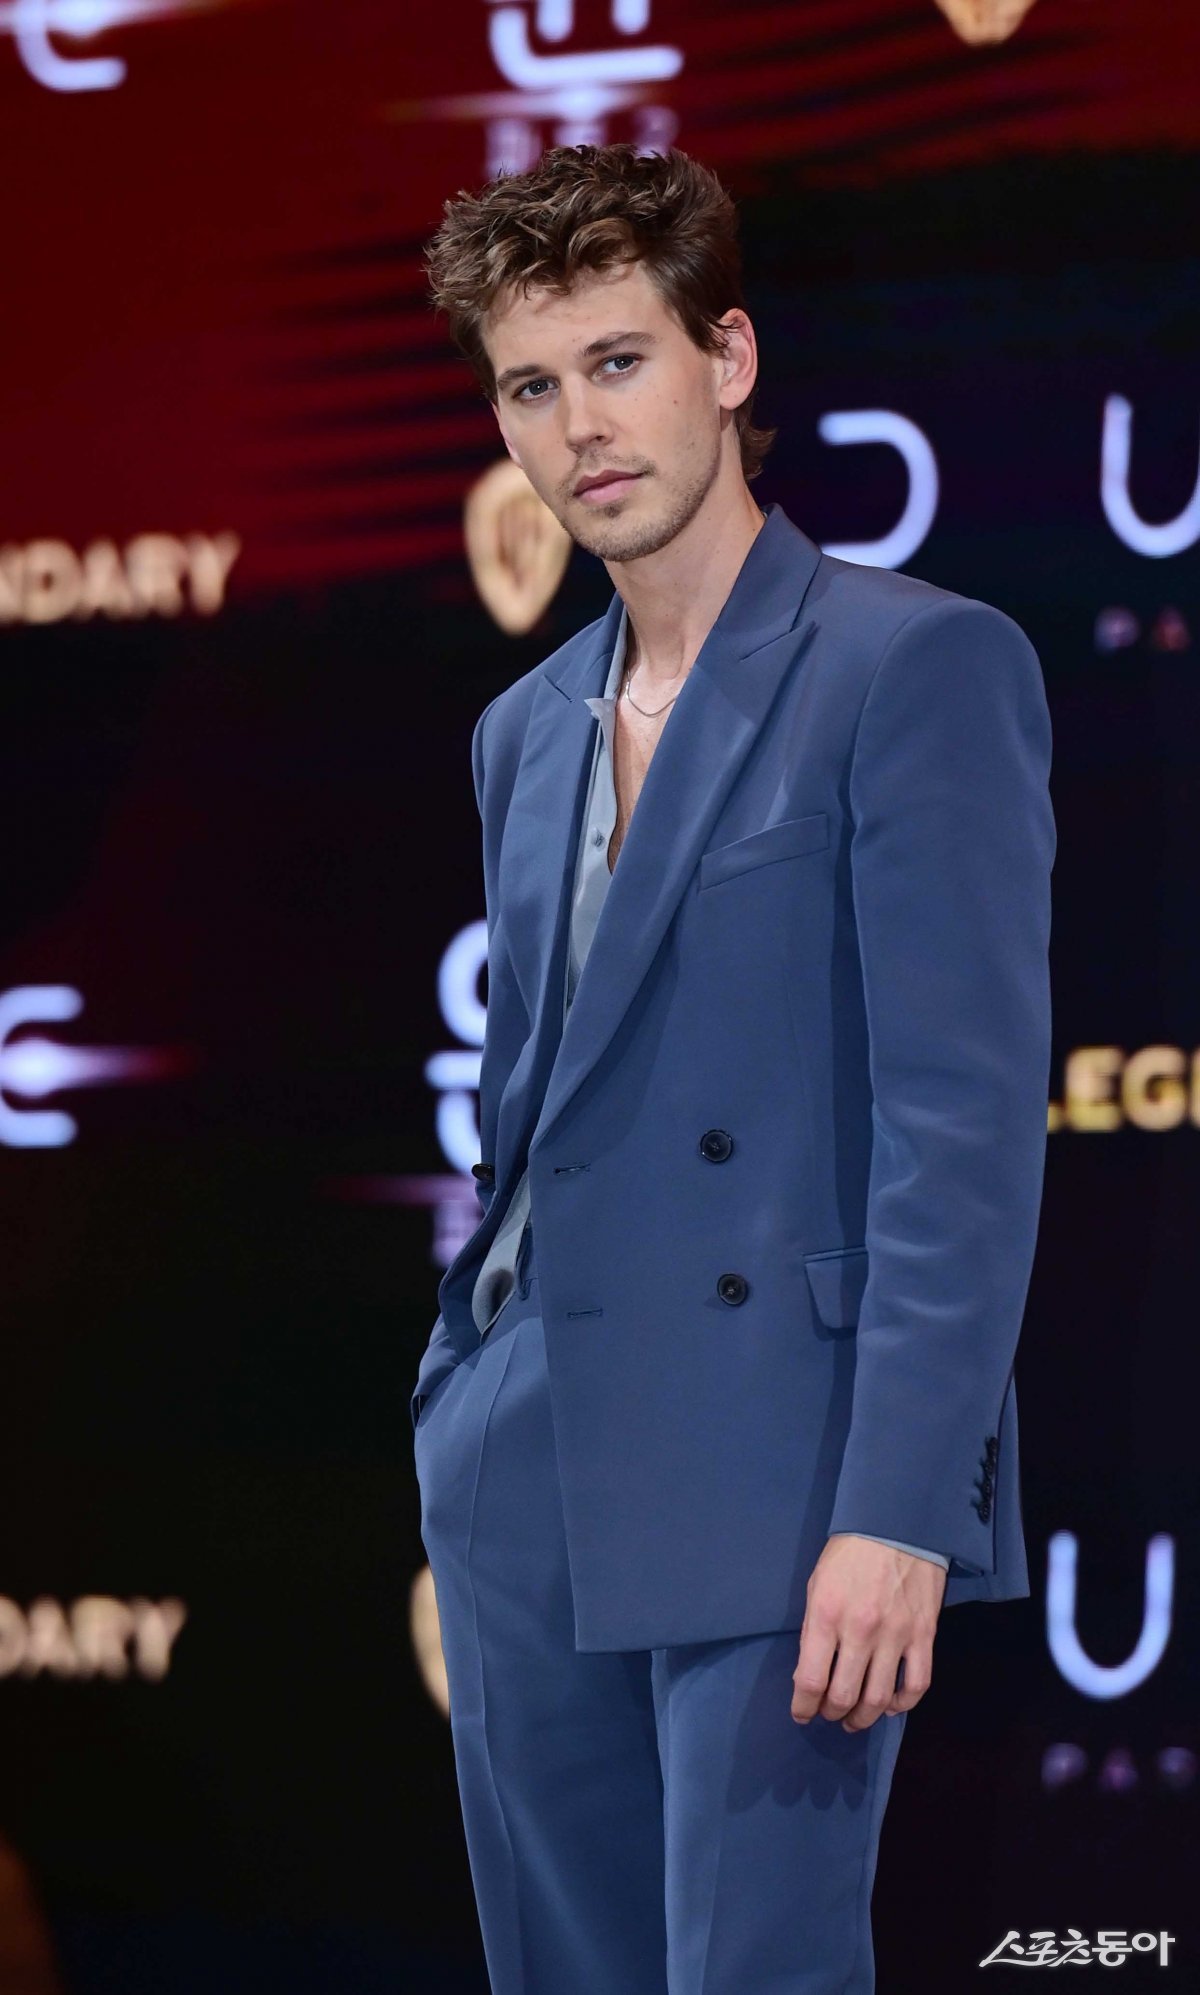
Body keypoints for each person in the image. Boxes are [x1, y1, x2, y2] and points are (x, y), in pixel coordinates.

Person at [411, 141, 1054, 1995]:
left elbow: (960, 1134)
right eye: (532, 386)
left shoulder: (911, 667)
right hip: (529, 1460)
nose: (580, 427)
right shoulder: (523, 731)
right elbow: (534, 1110)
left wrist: (901, 1507)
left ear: (730, 359)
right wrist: (465, 1397)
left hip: (785, 1465)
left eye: (619, 362)